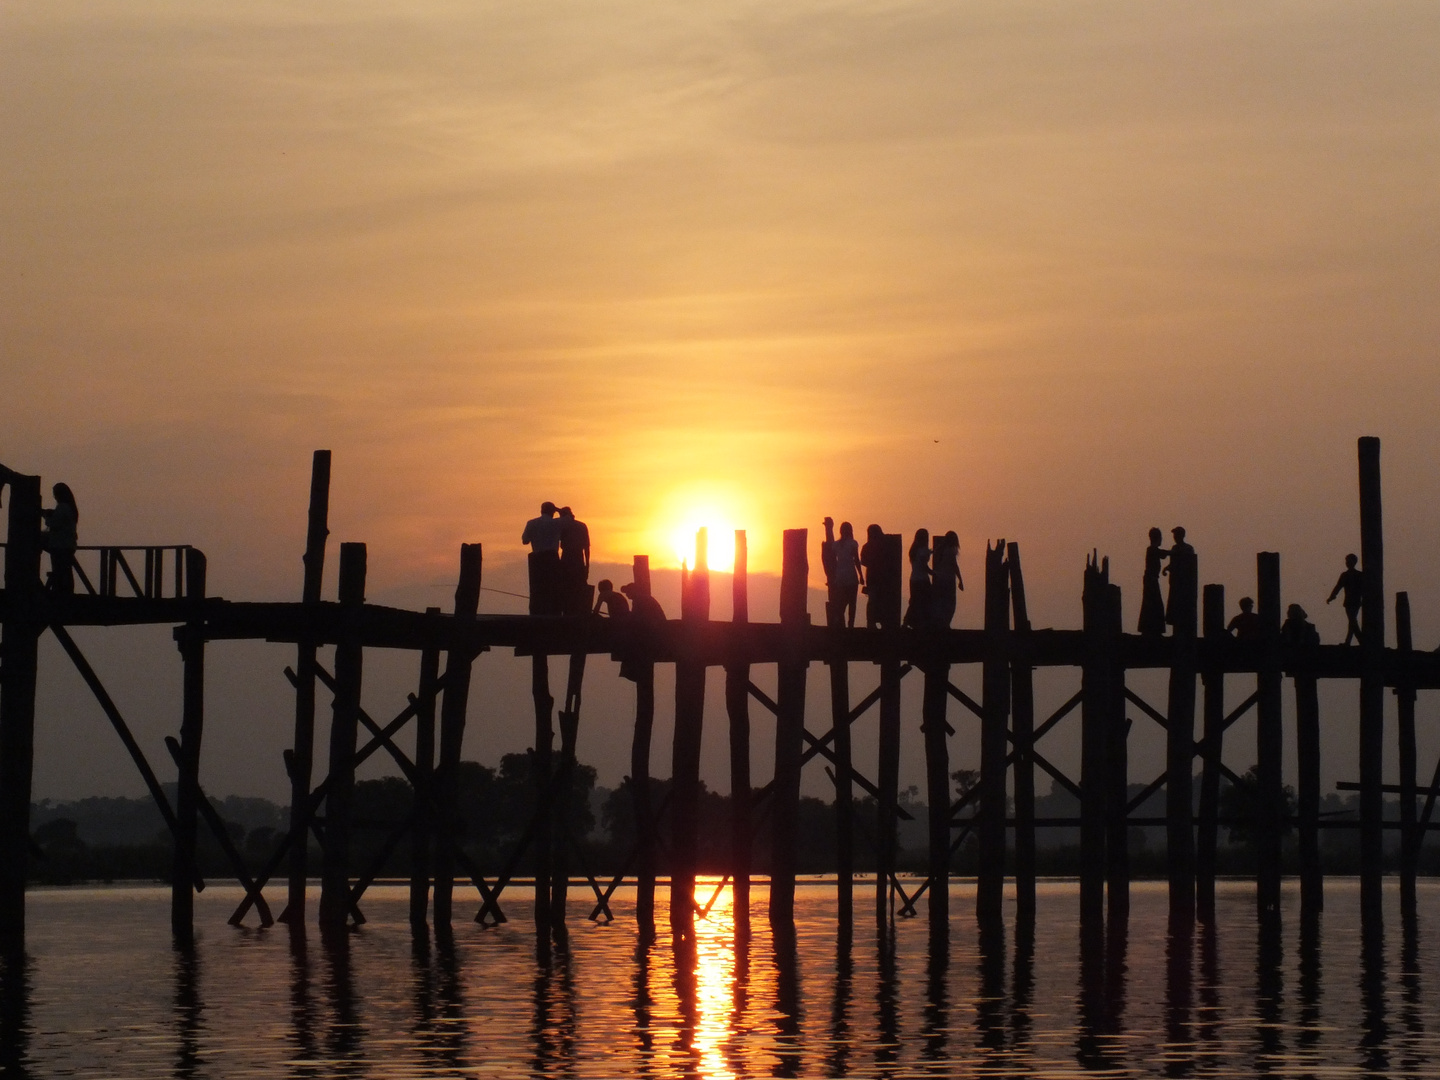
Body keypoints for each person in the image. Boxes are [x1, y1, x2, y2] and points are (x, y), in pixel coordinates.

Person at [619, 581, 666, 682]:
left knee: (631, 643)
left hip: (653, 631)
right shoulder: (643, 599)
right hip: (652, 629)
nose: (627, 595)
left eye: (628, 592)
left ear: (634, 591)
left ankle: (632, 672)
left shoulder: (639, 600)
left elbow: (637, 618)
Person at [521, 501, 563, 615]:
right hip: (552, 559)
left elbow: (525, 541)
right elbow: (570, 517)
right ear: (553, 512)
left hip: (537, 559)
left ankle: (537, 613)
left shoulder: (531, 523)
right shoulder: (557, 523)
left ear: (541, 510)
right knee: (553, 589)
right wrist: (559, 510)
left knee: (538, 589)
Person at [41, 482, 78, 594]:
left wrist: (46, 516)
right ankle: (66, 593)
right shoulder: (70, 508)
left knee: (60, 570)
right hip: (68, 545)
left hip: (60, 545)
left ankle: (61, 593)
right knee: (66, 571)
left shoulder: (62, 507)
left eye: (55, 494)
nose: (55, 497)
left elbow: (54, 524)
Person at [825, 519, 863, 629]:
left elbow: (832, 560)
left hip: (840, 576)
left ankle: (839, 621)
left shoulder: (835, 545)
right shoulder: (853, 543)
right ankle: (851, 625)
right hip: (851, 574)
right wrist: (861, 575)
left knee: (841, 602)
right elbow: (856, 559)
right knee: (852, 602)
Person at [558, 506, 591, 615]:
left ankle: (568, 610)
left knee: (566, 585)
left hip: (568, 557)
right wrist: (587, 564)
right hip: (579, 558)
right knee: (579, 585)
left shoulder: (563, 526)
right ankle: (579, 610)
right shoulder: (582, 525)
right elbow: (587, 547)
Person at [1326, 553, 1364, 645]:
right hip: (1350, 602)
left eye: (1349, 561)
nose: (1347, 563)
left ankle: (1360, 639)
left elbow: (1338, 587)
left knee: (1352, 620)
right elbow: (1338, 587)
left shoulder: (1356, 575)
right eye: (1346, 561)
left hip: (1355, 601)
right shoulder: (1347, 575)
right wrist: (1332, 597)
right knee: (1352, 621)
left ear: (1354, 562)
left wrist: (1332, 597)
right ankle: (1350, 641)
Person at [1138, 527, 1168, 637]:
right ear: (1157, 538)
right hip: (1151, 580)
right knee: (1153, 604)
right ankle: (1151, 628)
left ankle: (1152, 628)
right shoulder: (1151, 549)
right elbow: (1163, 553)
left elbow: (1163, 554)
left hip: (1151, 579)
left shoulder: (1153, 550)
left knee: (1153, 604)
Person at [1164, 526, 1195, 629]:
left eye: (1176, 535)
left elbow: (1189, 564)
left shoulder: (1188, 549)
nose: (1175, 537)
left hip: (1184, 584)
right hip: (1175, 584)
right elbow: (1173, 563)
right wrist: (1166, 568)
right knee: (1175, 608)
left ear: (1182, 535)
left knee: (1183, 608)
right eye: (1174, 535)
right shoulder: (1175, 548)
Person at [930, 530, 962, 628]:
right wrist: (961, 580)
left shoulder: (940, 549)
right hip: (948, 580)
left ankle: (941, 622)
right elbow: (954, 566)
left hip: (940, 578)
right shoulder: (951, 550)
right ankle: (945, 623)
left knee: (941, 602)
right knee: (950, 603)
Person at [903, 529, 932, 629]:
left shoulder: (914, 550)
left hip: (913, 579)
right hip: (922, 579)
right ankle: (916, 622)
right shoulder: (923, 550)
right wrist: (934, 573)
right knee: (925, 601)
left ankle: (909, 621)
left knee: (914, 601)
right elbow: (924, 566)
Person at [860, 524, 886, 629]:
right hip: (880, 576)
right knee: (880, 599)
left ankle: (871, 622)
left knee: (872, 600)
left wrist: (871, 564)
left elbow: (863, 561)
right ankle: (877, 621)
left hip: (871, 576)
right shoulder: (883, 545)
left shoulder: (866, 546)